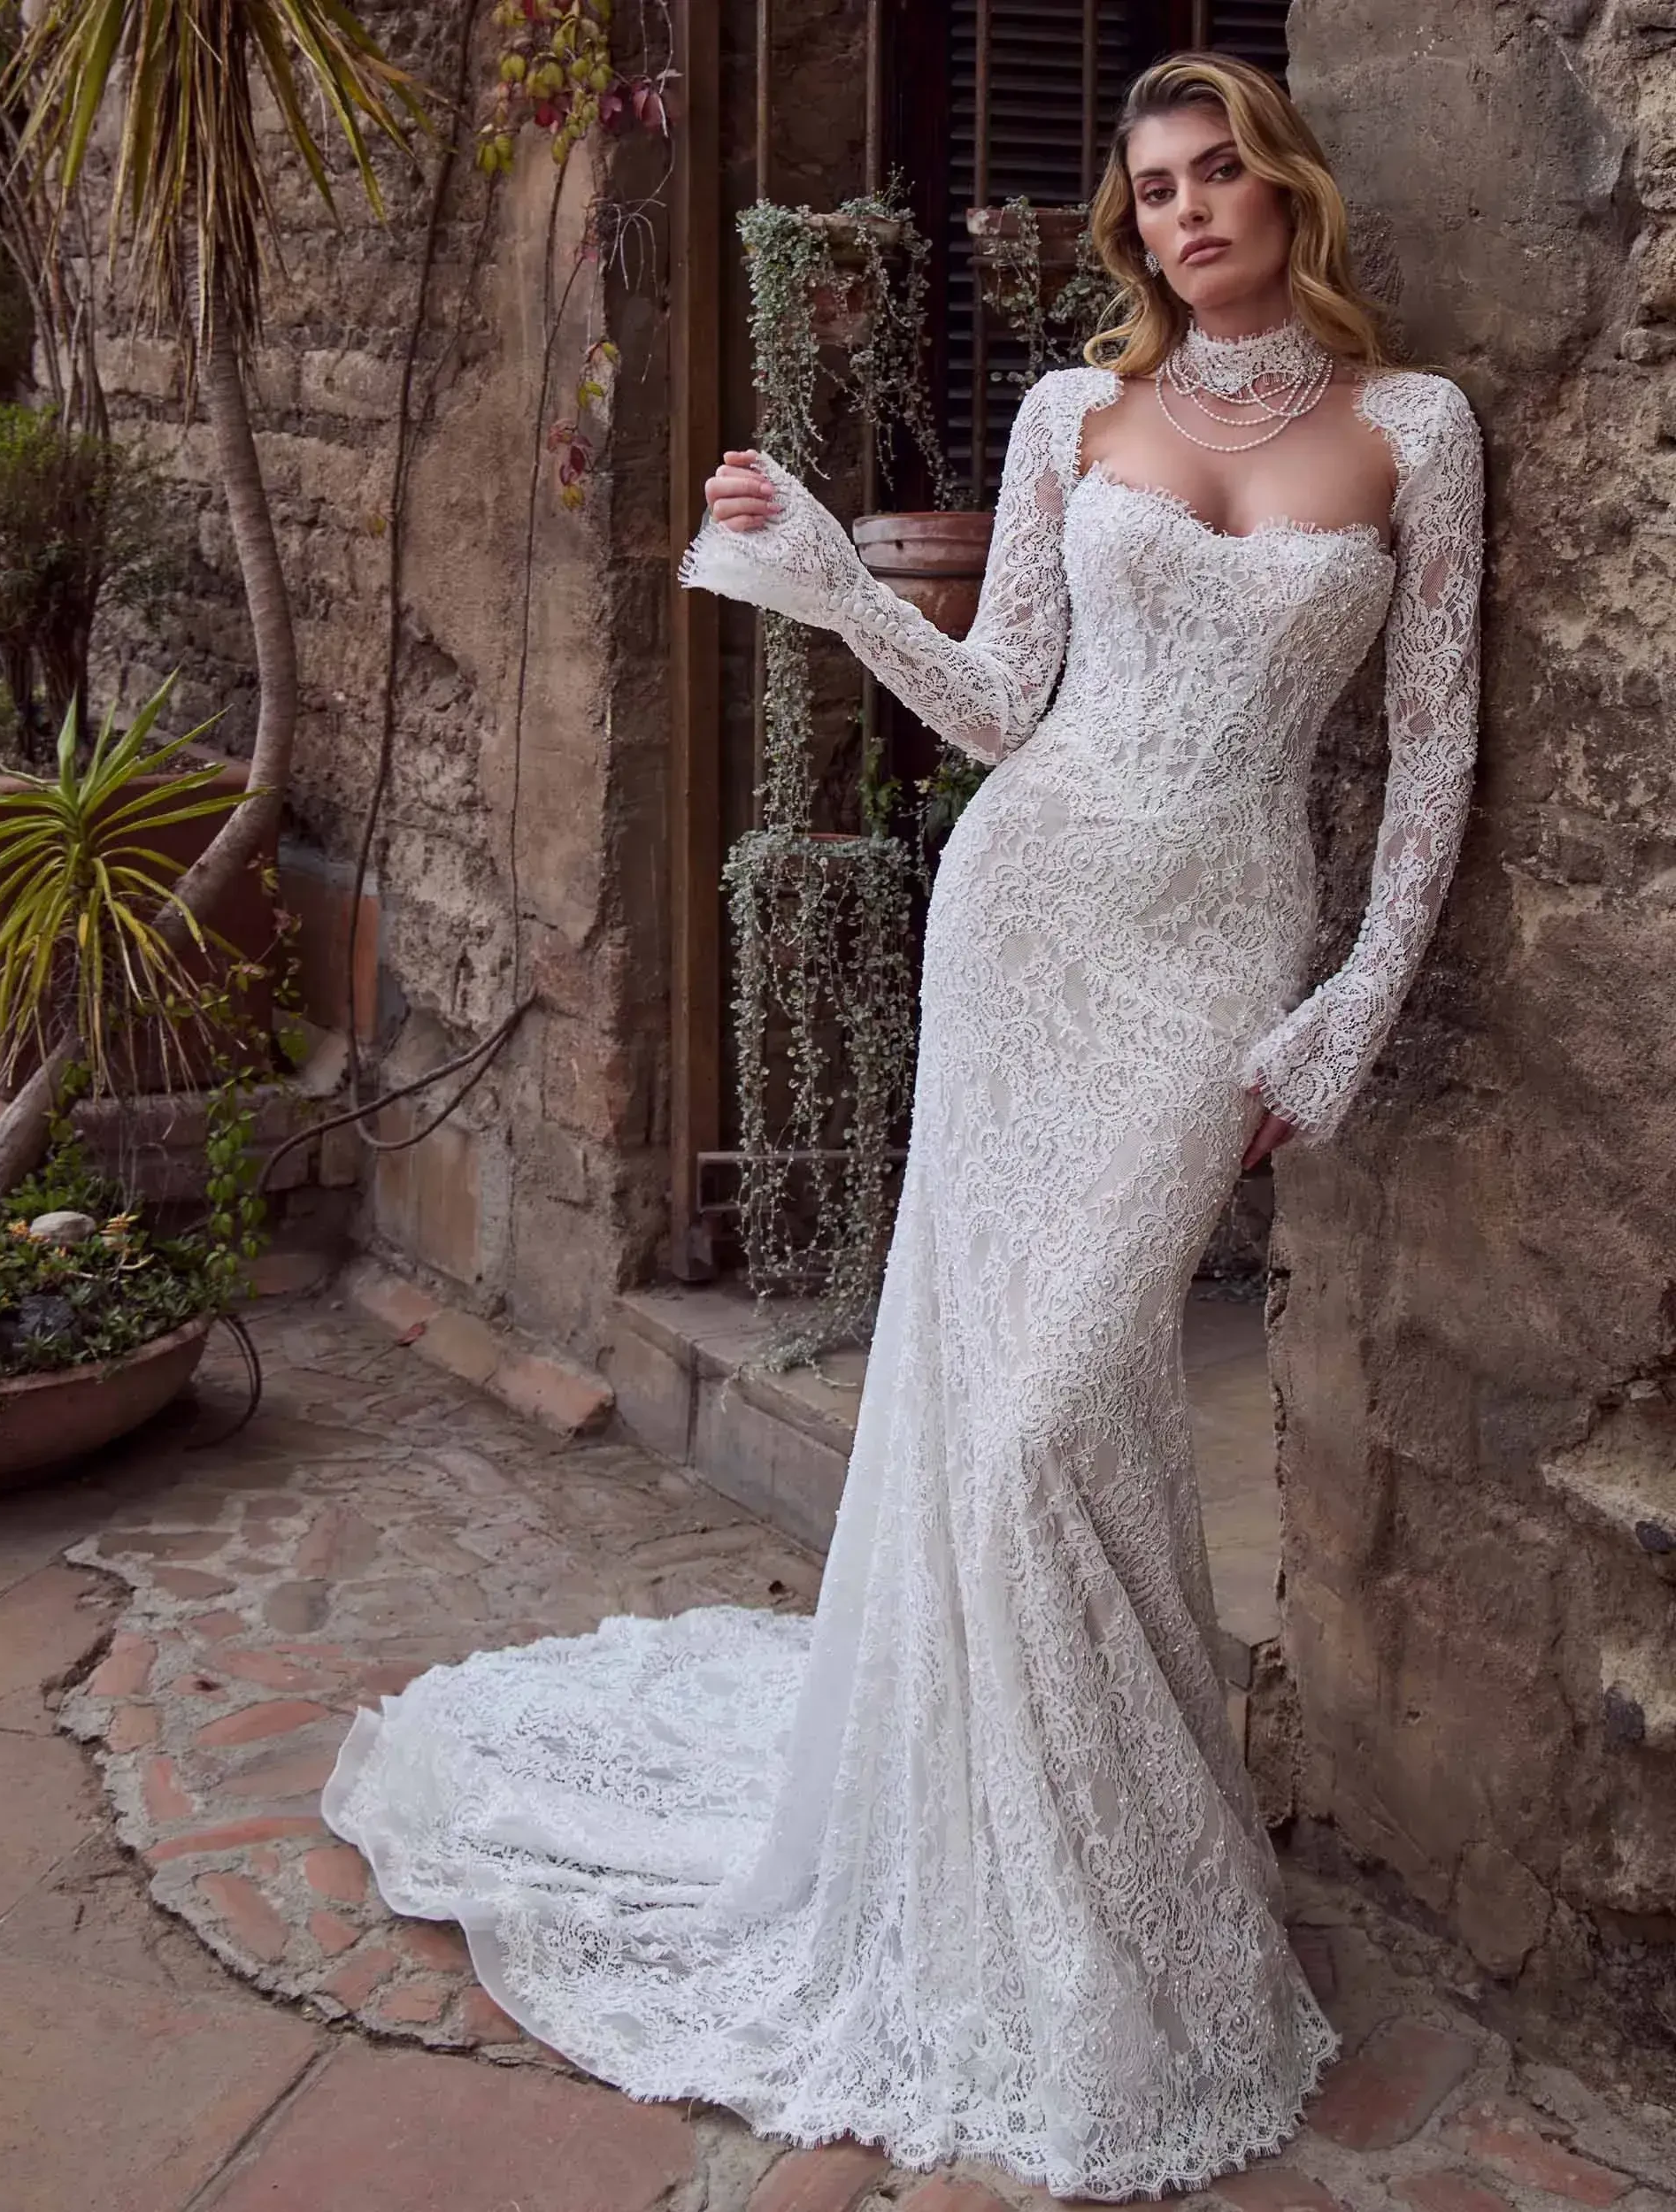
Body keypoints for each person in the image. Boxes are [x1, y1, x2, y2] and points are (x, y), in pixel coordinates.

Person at [322, 51, 1483, 2199]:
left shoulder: (1413, 431)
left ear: (1284, 186)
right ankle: (1039, 1901)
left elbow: (1428, 756)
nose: (1187, 209)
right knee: (1026, 1413)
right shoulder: (1071, 418)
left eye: (1219, 169)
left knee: (1070, 1403)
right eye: (1152, 188)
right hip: (1025, 911)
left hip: (1220, 942)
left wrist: (1346, 1010)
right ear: (1128, 228)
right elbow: (1001, 702)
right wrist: (849, 582)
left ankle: (1124, 1873)